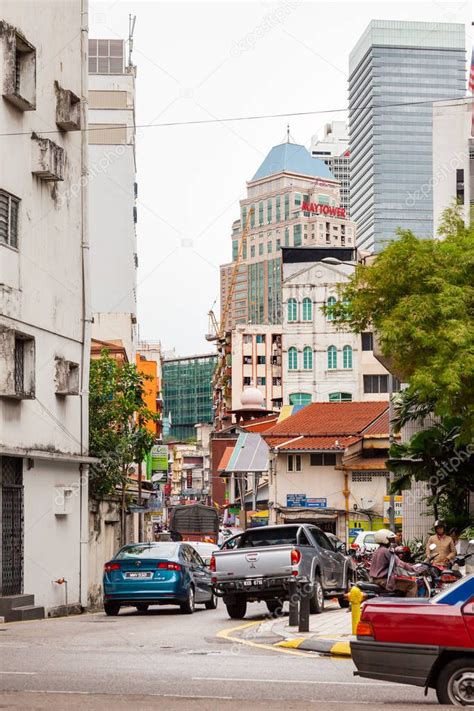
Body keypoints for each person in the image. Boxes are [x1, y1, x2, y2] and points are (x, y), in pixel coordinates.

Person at [370, 529, 418, 597]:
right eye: (390, 539)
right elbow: (400, 564)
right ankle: (409, 605)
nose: (391, 541)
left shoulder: (377, 551)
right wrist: (415, 569)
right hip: (384, 581)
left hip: (376, 580)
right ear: (384, 539)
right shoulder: (386, 551)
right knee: (412, 584)